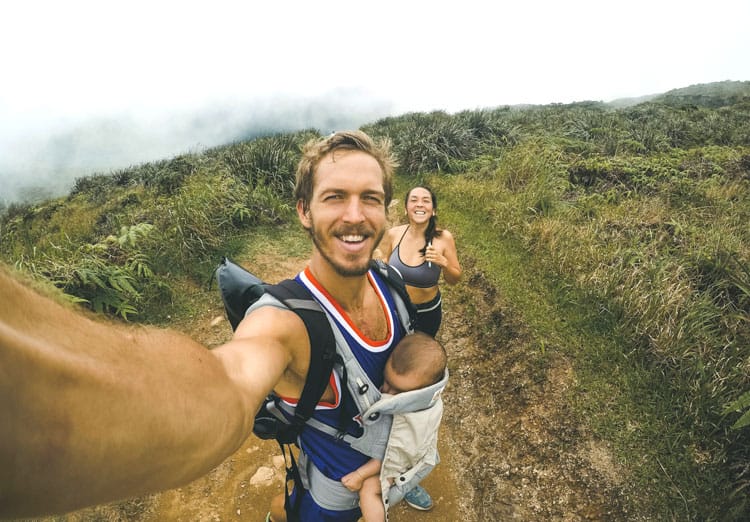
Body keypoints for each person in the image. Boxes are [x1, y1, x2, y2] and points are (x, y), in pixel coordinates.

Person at [0, 130, 414, 522]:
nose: (355, 215)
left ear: (385, 209)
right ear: (304, 211)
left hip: (392, 472)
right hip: (332, 505)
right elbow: (228, 383)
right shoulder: (285, 324)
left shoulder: (390, 284)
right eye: (335, 197)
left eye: (370, 199)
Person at [340, 332, 447, 522]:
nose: (386, 391)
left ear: (421, 392)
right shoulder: (429, 397)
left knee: (370, 491)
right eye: (386, 381)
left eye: (398, 392)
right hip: (420, 450)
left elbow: (389, 457)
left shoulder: (407, 423)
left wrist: (359, 474)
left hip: (408, 459)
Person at [377, 186, 462, 338]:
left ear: (433, 210)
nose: (420, 204)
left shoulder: (443, 238)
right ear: (406, 209)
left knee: (418, 357)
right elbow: (381, 268)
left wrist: (444, 263)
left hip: (427, 313)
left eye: (426, 201)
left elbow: (454, 279)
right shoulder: (393, 234)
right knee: (395, 355)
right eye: (414, 200)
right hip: (395, 309)